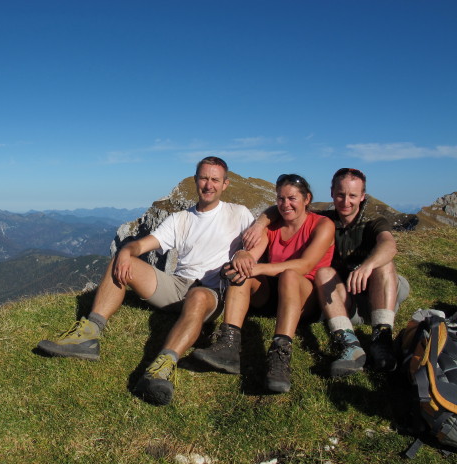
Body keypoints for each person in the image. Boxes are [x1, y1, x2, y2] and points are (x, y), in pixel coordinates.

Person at [37, 157, 255, 405]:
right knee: (121, 260)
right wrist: (126, 252)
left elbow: (258, 244)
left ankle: (162, 367)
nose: (208, 185)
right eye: (203, 178)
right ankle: (88, 335)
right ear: (195, 180)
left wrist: (245, 252)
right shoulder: (181, 218)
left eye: (215, 179)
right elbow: (143, 244)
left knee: (197, 296)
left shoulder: (239, 214)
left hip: (210, 292)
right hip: (177, 285)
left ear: (225, 184)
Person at [243, 168, 409, 377]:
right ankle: (349, 343)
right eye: (340, 194)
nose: (345, 201)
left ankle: (382, 338)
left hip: (377, 293)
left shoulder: (373, 221)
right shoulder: (325, 220)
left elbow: (389, 245)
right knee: (323, 272)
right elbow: (284, 208)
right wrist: (260, 223)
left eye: (352, 196)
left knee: (384, 264)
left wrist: (367, 265)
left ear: (362, 197)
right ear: (332, 193)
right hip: (344, 297)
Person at [191, 174, 334, 393]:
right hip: (272, 296)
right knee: (243, 272)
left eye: (292, 198)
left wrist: (259, 268)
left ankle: (280, 355)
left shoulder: (323, 225)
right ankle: (228, 345)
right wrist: (242, 256)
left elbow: (305, 266)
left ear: (307, 199)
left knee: (289, 275)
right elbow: (251, 256)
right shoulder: (272, 226)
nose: (286, 204)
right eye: (281, 199)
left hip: (305, 298)